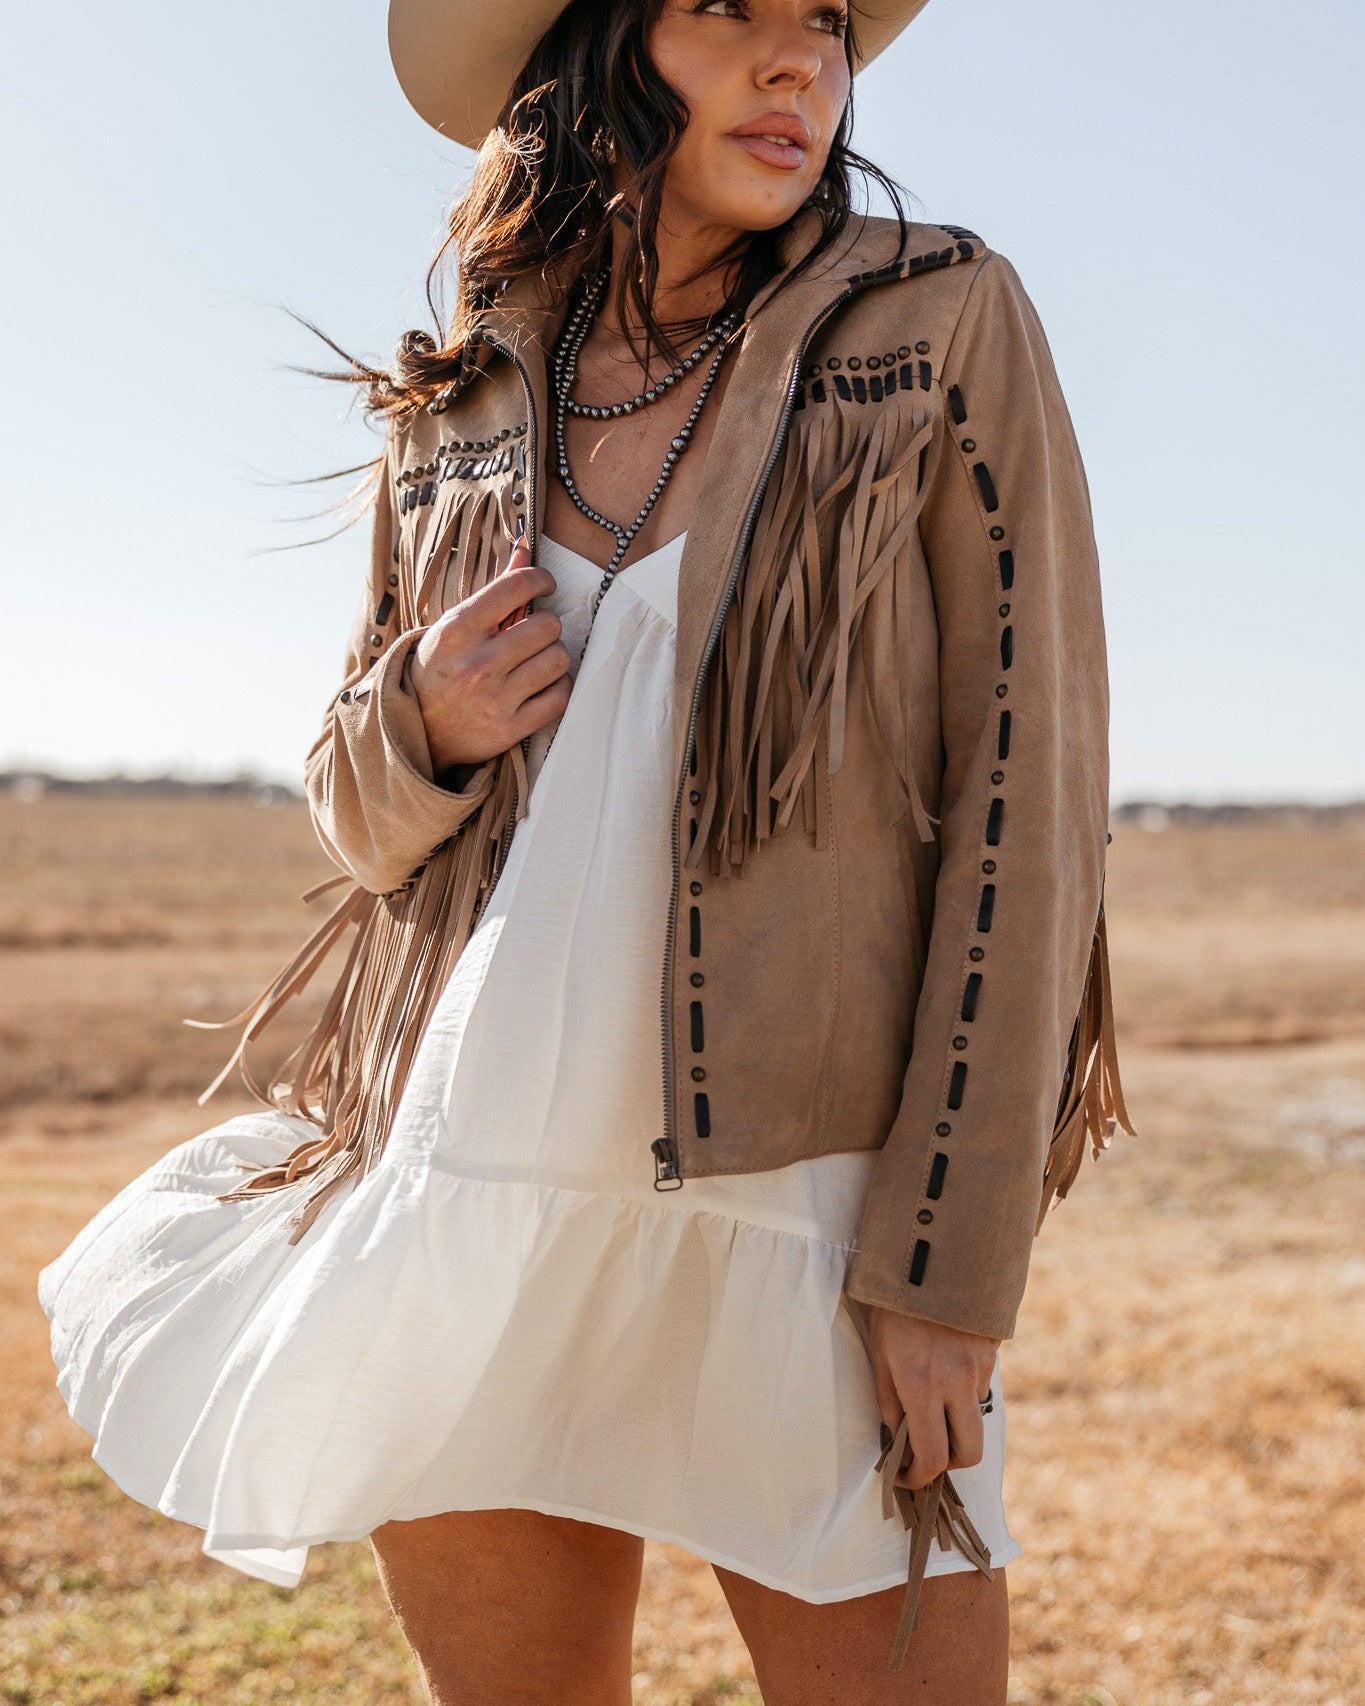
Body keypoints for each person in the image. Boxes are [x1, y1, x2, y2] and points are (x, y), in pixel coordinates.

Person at [38, 0, 1135, 1700]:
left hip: (803, 1197)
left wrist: (948, 1253)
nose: (799, 66)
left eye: (828, 25)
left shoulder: (936, 317)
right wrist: (421, 716)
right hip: (482, 1176)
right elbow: (352, 804)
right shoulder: (469, 381)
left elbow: (1029, 793)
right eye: (730, 10)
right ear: (599, 46)